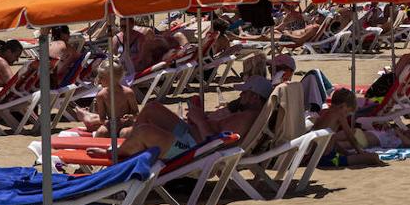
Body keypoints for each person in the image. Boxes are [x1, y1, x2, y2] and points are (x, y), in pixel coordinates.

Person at [88, 77, 274, 161]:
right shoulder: (246, 114)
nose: (240, 96)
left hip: (192, 148)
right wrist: (199, 118)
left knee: (145, 131)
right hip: (190, 135)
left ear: (254, 97)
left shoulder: (245, 119)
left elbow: (215, 145)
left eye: (245, 93)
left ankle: (117, 154)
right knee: (152, 108)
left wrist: (200, 120)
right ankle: (132, 146)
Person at [313, 88, 385, 168]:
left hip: (316, 158)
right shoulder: (339, 114)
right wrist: (360, 152)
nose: (346, 115)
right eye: (347, 112)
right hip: (328, 159)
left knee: (352, 155)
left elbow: (331, 142)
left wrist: (347, 153)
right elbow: (350, 136)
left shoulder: (323, 112)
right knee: (373, 157)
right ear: (343, 106)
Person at [78, 61, 138, 136]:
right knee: (101, 133)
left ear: (111, 78)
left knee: (124, 133)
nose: (99, 80)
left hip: (127, 124)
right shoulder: (101, 95)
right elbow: (102, 118)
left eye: (101, 77)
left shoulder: (128, 93)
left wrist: (130, 117)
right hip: (111, 124)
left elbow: (136, 113)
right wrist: (109, 122)